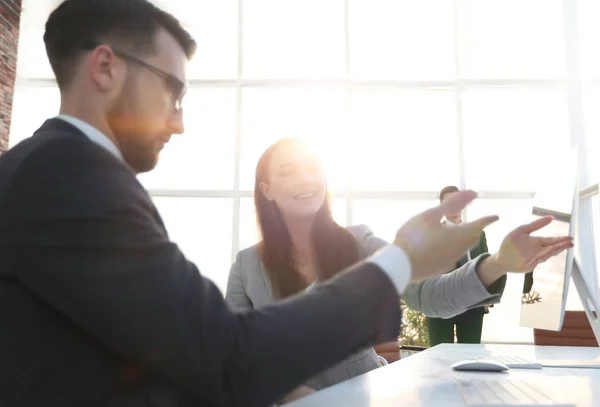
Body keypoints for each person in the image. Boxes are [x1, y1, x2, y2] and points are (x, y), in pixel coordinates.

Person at [0, 1, 572, 406]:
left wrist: (490, 263)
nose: (178, 119)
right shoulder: (70, 175)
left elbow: (172, 353)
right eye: (173, 91)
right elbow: (225, 355)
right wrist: (398, 258)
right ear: (105, 68)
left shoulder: (57, 173)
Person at [226, 139, 570, 402]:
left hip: (365, 397)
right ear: (266, 190)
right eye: (288, 171)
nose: (306, 180)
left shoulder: (358, 243)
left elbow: (428, 293)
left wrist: (498, 263)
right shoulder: (246, 266)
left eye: (312, 169)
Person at [427, 186, 503, 346]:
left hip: (472, 305)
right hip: (440, 303)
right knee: (438, 356)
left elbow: (485, 266)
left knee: (470, 355)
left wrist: (487, 297)